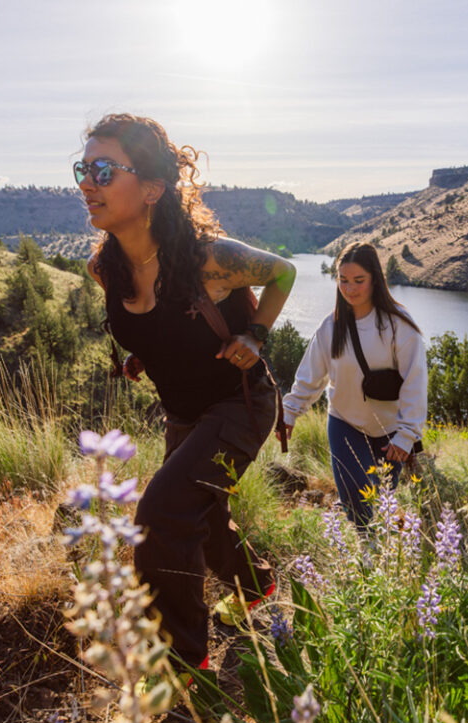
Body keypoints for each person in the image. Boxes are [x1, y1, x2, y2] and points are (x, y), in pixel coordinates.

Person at [77, 113, 295, 674]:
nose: (87, 183)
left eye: (103, 170)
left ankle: (180, 658)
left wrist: (256, 334)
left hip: (240, 405)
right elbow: (154, 327)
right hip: (184, 413)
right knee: (201, 513)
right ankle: (258, 588)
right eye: (83, 169)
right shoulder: (106, 268)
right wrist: (139, 355)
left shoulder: (208, 258)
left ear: (151, 189)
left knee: (161, 515)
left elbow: (284, 273)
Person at [280, 243, 426, 528]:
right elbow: (311, 376)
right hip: (344, 424)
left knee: (383, 501)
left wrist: (407, 434)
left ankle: (383, 561)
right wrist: (289, 413)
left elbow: (415, 381)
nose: (350, 289)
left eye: (359, 281)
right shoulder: (331, 327)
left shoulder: (399, 325)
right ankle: (368, 556)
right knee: (358, 503)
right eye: (343, 280)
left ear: (375, 279)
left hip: (391, 433)